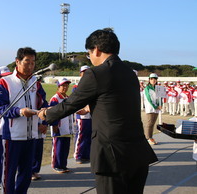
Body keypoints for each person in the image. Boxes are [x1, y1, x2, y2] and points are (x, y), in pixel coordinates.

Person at [38, 28, 158, 194]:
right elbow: (113, 102)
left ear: (96, 49)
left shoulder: (96, 73)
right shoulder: (130, 74)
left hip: (112, 155)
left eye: (89, 54)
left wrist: (46, 113)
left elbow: (70, 104)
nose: (90, 57)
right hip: (137, 152)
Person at [0, 47, 48, 193]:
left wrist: (44, 121)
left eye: (33, 63)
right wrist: (20, 112)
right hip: (12, 137)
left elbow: (44, 104)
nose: (30, 66)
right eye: (27, 62)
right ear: (17, 61)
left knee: (26, 174)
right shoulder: (5, 82)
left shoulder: (36, 82)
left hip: (31, 135)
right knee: (8, 173)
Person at [49, 78, 73, 173]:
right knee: (58, 148)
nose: (65, 87)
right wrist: (54, 125)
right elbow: (52, 113)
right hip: (58, 127)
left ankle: (63, 165)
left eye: (67, 85)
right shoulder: (55, 98)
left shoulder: (67, 98)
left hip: (67, 127)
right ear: (58, 87)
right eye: (63, 86)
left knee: (65, 148)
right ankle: (56, 165)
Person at [73, 65, 92, 164]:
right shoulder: (77, 87)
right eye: (84, 72)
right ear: (80, 74)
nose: (85, 74)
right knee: (81, 135)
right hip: (82, 115)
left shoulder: (93, 85)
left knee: (89, 135)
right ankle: (78, 155)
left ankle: (86, 155)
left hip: (90, 115)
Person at [144, 73, 162, 145]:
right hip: (150, 108)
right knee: (149, 123)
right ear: (149, 80)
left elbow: (160, 97)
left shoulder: (158, 88)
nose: (153, 80)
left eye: (155, 79)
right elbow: (149, 98)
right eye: (152, 79)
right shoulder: (147, 88)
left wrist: (160, 105)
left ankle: (150, 137)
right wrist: (155, 106)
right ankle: (147, 138)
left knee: (152, 124)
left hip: (157, 108)